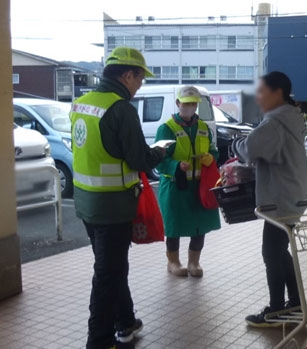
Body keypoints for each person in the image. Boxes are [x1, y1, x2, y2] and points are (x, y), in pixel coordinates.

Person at [70, 47, 166, 348]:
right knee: (107, 275)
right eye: (139, 79)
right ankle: (98, 341)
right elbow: (139, 159)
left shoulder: (81, 104)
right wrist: (162, 151)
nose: (140, 85)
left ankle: (126, 319)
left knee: (111, 267)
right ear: (127, 75)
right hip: (113, 207)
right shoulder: (121, 108)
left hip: (86, 203)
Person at [232, 71, 307, 327]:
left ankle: (276, 309)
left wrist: (235, 144)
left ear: (278, 93)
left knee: (271, 253)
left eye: (262, 91)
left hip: (280, 199)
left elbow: (250, 148)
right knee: (279, 251)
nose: (258, 96)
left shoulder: (275, 121)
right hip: (291, 194)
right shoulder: (290, 117)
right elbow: (272, 154)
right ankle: (296, 303)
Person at [155, 86, 221, 277]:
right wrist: (175, 165)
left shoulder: (203, 128)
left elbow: (213, 150)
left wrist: (211, 157)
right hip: (176, 185)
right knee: (174, 225)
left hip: (200, 185)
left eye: (193, 104)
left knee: (199, 225)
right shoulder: (166, 128)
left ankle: (194, 263)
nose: (190, 107)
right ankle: (173, 262)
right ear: (178, 104)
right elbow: (158, 159)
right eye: (186, 104)